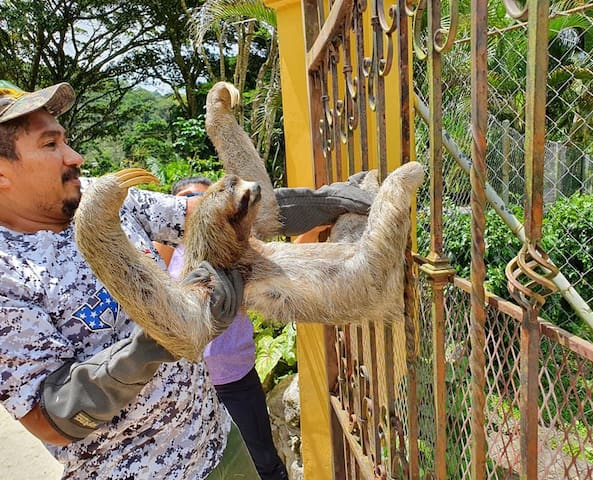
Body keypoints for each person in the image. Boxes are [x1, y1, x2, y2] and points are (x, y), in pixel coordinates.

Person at [0, 80, 373, 479]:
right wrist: (161, 339)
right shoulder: (8, 275)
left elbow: (219, 217)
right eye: (50, 145)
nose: (75, 156)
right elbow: (47, 416)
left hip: (219, 441)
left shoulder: (98, 196)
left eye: (65, 141)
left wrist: (334, 199)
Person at [155, 176, 289, 480]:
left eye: (204, 197)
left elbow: (282, 274)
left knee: (263, 462)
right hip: (183, 386)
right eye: (187, 199)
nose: (196, 204)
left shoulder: (236, 247)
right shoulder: (166, 251)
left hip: (234, 379)